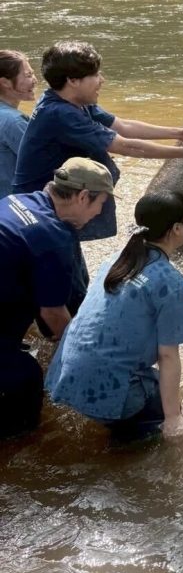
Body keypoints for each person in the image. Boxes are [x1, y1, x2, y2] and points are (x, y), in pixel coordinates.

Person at [12, 40, 183, 309]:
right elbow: (124, 145)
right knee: (64, 287)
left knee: (70, 280)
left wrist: (178, 133)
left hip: (56, 204)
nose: (102, 80)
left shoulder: (72, 102)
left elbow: (123, 126)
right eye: (95, 75)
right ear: (73, 80)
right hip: (42, 211)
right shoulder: (61, 114)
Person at [46, 190, 183, 442]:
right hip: (109, 391)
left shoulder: (115, 260)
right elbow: (168, 355)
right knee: (167, 426)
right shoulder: (173, 283)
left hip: (62, 378)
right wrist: (172, 418)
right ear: (178, 229)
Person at [0, 157, 113, 439]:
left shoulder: (16, 200)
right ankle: (21, 454)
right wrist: (84, 358)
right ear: (83, 196)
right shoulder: (51, 235)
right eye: (101, 204)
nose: (99, 213)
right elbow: (53, 313)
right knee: (26, 381)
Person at [0, 50, 37, 198]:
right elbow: (43, 162)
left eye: (33, 73)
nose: (34, 79)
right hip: (12, 205)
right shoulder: (14, 121)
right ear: (5, 82)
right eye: (28, 75)